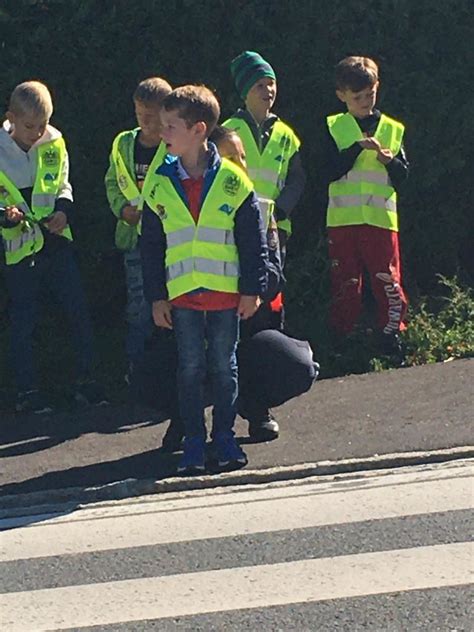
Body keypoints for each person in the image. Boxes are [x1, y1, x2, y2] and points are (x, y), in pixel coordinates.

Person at [140, 85, 269, 474]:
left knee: (224, 367)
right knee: (190, 369)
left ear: (198, 130)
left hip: (225, 296)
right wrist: (156, 296)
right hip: (182, 298)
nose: (163, 134)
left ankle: (225, 438)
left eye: (170, 127)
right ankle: (194, 442)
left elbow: (253, 240)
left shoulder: (234, 180)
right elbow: (149, 245)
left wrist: (253, 288)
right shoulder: (159, 182)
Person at [0, 81, 106, 413]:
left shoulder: (55, 142)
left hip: (55, 241)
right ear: (11, 119)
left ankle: (87, 382)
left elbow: (63, 182)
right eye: (30, 126)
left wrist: (63, 210)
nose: (37, 133)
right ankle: (26, 392)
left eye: (43, 125)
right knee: (24, 320)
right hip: (19, 247)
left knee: (76, 310)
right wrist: (6, 216)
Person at [321, 56, 409, 359]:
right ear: (341, 95)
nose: (364, 101)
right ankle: (343, 340)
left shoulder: (392, 129)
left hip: (381, 221)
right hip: (343, 221)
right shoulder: (335, 126)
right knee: (346, 282)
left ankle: (391, 337)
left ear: (377, 88)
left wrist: (389, 160)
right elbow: (327, 171)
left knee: (387, 280)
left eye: (370, 94)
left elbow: (404, 176)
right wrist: (355, 150)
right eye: (357, 97)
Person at [104, 77, 172, 383]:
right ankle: (138, 368)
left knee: (173, 304)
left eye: (152, 115)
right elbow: (111, 182)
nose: (145, 121)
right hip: (133, 238)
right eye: (139, 113)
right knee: (139, 305)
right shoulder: (123, 144)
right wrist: (121, 209)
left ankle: (173, 366)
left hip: (170, 241)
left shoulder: (174, 146)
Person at [224, 50, 306, 265]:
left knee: (272, 286)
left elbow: (296, 178)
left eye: (271, 83)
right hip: (236, 223)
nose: (268, 90)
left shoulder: (286, 134)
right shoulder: (227, 131)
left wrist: (280, 210)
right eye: (259, 85)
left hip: (275, 226)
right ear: (245, 91)